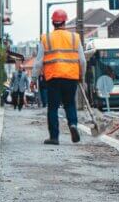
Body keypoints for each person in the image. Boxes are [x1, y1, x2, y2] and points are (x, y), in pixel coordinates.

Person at [31, 8, 86, 145]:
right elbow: (82, 60)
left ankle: (54, 137)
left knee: (53, 107)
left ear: (53, 23)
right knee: (69, 104)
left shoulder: (46, 38)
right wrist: (81, 76)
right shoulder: (74, 38)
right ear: (65, 22)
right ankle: (73, 124)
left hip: (53, 77)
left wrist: (33, 78)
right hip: (71, 77)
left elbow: (38, 62)